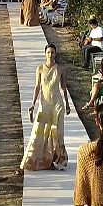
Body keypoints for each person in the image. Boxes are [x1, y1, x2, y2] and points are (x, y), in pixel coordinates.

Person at [21, 43, 71, 171]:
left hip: (57, 104)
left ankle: (59, 158)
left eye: (53, 52)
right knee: (40, 132)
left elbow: (63, 88)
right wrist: (33, 104)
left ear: (55, 54)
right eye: (48, 52)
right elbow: (37, 87)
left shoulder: (60, 69)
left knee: (57, 132)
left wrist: (67, 104)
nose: (50, 55)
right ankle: (41, 158)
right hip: (45, 104)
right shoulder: (40, 69)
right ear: (45, 54)